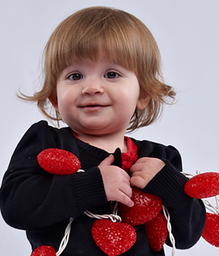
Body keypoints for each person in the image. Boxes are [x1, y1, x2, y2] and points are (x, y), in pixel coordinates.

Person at [0, 6, 206, 256]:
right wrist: (92, 185)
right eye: (75, 76)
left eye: (111, 74)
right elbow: (15, 208)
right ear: (55, 96)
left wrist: (168, 184)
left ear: (143, 93)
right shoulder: (47, 143)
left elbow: (186, 237)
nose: (91, 87)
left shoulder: (161, 160)